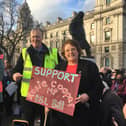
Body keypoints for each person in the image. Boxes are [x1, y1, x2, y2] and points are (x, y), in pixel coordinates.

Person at [48, 39, 104, 126]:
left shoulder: (89, 66)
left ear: (78, 50)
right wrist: (47, 103)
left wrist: (88, 96)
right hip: (61, 113)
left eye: (73, 49)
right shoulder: (59, 68)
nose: (70, 52)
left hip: (83, 112)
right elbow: (52, 87)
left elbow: (99, 86)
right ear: (64, 53)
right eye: (67, 50)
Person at [12, 28, 61, 126]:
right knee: (27, 122)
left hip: (47, 94)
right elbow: (17, 69)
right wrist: (15, 75)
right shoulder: (24, 52)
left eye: (37, 36)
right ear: (30, 38)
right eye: (33, 37)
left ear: (42, 37)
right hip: (28, 94)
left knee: (46, 122)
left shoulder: (53, 52)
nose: (35, 39)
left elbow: (62, 69)